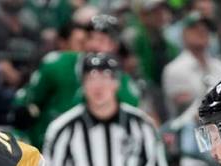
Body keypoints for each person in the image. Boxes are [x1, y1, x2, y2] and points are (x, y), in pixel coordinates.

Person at [11, 14, 140, 149]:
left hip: (93, 153)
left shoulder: (123, 85)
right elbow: (24, 107)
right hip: (44, 151)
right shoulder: (57, 65)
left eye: (102, 40)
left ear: (114, 46)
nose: (95, 45)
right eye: (90, 37)